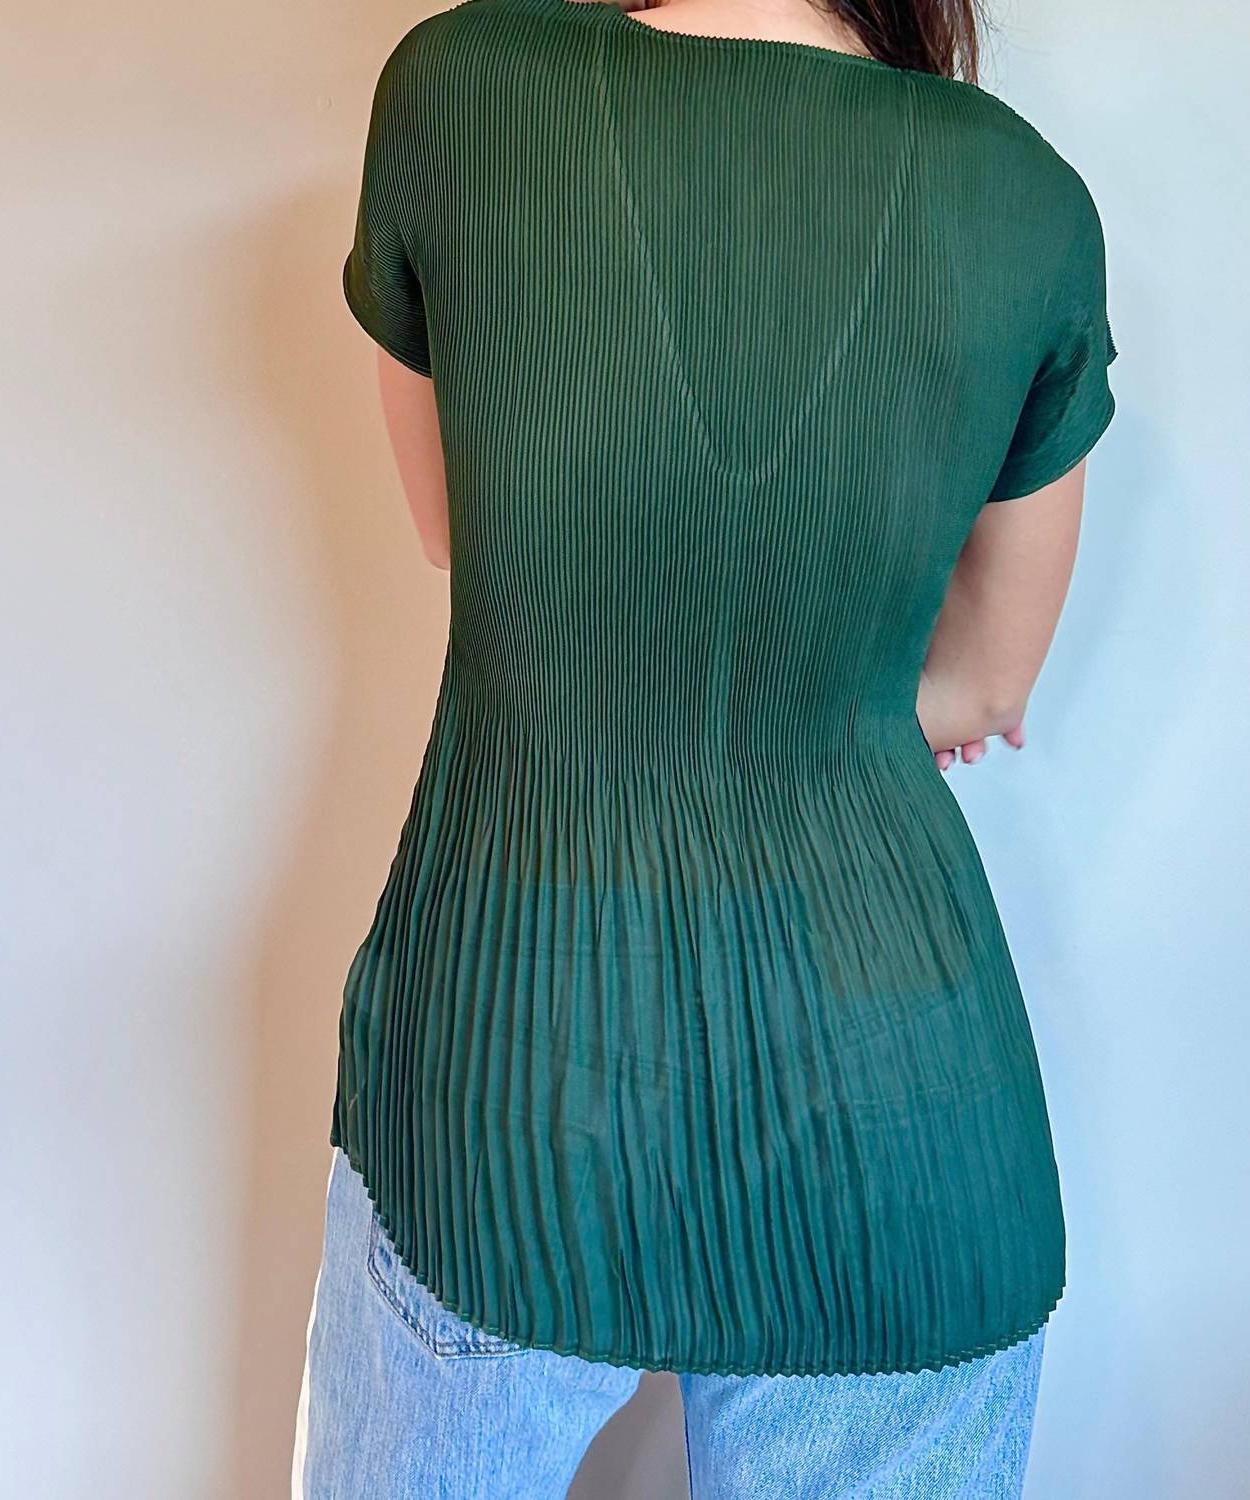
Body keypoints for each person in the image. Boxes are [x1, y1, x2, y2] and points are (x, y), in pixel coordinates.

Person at [293, 0, 1118, 1493]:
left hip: (512, 1068)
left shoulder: (464, 90)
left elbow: (460, 535)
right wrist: (827, 709)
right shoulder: (1019, 192)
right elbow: (989, 682)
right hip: (902, 1105)